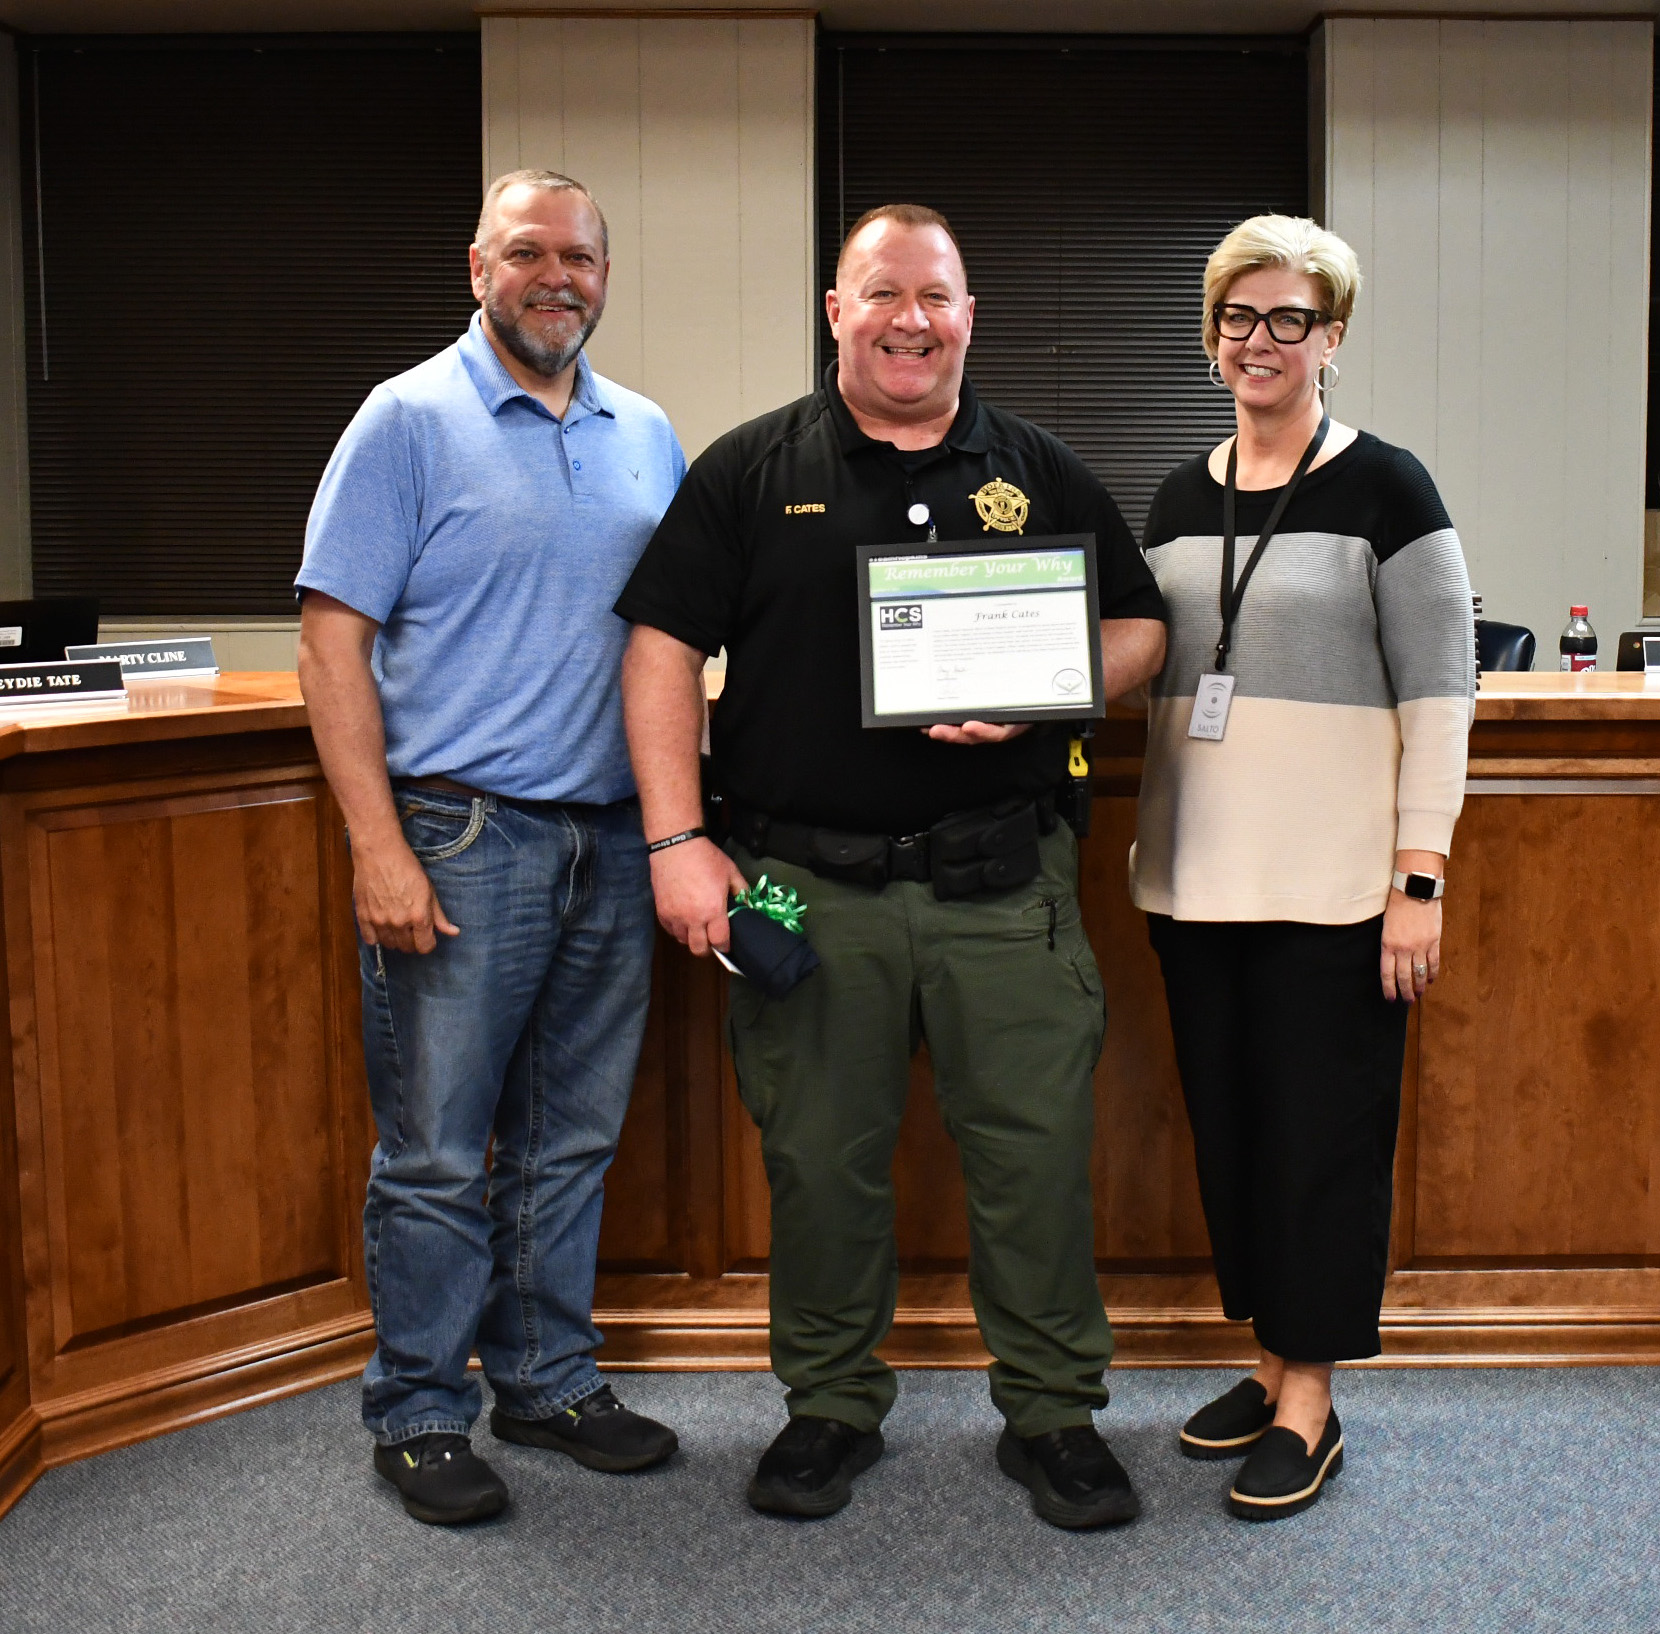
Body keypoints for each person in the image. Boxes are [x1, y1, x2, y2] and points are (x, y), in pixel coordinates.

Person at [616, 203, 1167, 1530]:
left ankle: (1051, 1411)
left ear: (968, 315)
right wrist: (678, 843)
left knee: (1033, 1158)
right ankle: (827, 1405)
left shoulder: (1036, 468)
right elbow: (655, 656)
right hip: (803, 887)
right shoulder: (749, 472)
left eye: (935, 294)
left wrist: (1055, 691)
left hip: (1004, 889)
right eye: (882, 294)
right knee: (818, 1158)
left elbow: (1140, 625)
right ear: (834, 311)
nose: (909, 319)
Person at [296, 169, 686, 1526]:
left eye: (579, 254)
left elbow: (675, 641)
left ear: (604, 273)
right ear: (478, 265)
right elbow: (330, 640)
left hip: (615, 839)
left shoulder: (646, 432)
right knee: (437, 1150)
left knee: (570, 1140)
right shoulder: (406, 418)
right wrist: (375, 844)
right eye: (528, 251)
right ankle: (417, 1409)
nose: (556, 275)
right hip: (459, 835)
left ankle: (546, 1377)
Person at [1131, 214, 1473, 1520]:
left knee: (1321, 1144)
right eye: (1235, 315)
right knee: (1232, 1136)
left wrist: (1417, 874)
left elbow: (1442, 687)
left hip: (1335, 888)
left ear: (1330, 338)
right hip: (1194, 884)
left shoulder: (1387, 487)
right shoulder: (1176, 494)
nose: (1256, 340)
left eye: (1286, 319)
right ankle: (1267, 1359)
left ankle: (1310, 1403)